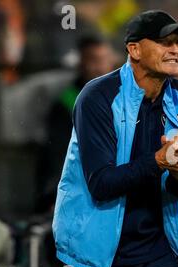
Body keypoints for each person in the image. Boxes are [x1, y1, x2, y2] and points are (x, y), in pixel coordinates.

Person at [52, 10, 178, 267]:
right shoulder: (97, 96)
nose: (176, 50)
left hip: (158, 254)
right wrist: (158, 162)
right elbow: (101, 183)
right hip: (98, 256)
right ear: (134, 49)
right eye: (165, 42)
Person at [36, 34, 117, 214]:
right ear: (81, 63)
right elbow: (57, 156)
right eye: (91, 60)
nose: (97, 67)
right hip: (79, 193)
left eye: (102, 60)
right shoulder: (67, 104)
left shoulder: (122, 98)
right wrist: (54, 197)